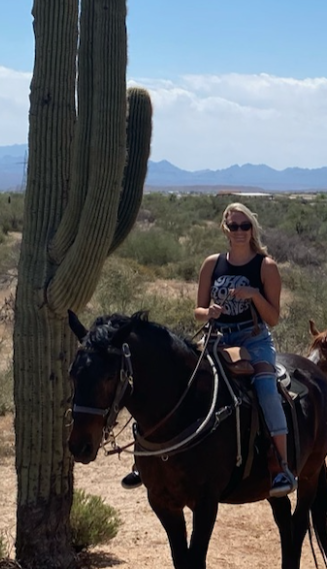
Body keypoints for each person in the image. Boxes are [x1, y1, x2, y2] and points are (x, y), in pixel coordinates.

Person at [120, 202, 297, 497]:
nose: (239, 231)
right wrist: (209, 312)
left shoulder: (265, 266)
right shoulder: (212, 264)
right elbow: (197, 311)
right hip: (216, 338)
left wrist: (254, 295)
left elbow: (273, 318)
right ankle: (144, 458)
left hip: (253, 341)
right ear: (224, 228)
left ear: (252, 228)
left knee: (266, 388)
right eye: (233, 226)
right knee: (171, 377)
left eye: (245, 225)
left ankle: (281, 465)